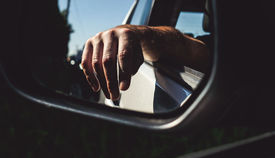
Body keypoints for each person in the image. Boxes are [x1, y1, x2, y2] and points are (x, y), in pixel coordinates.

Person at [80, 24, 210, 101]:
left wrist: (139, 33)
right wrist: (137, 34)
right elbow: (187, 48)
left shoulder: (216, 48)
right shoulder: (210, 46)